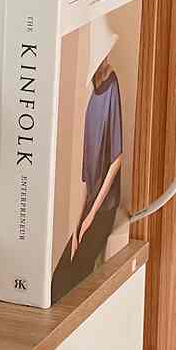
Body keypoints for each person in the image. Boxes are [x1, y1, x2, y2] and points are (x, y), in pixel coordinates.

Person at [51, 16, 122, 303]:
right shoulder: (92, 98)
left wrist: (91, 216)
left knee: (77, 273)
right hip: (90, 206)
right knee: (59, 276)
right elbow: (86, 173)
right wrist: (78, 221)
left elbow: (117, 158)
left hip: (104, 208)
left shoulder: (112, 87)